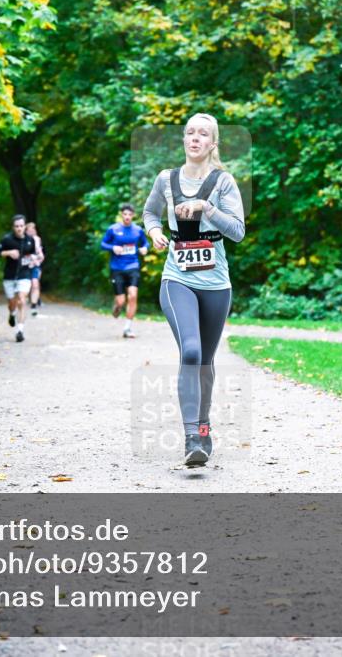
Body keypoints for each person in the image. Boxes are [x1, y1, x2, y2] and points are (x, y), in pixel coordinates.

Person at [141, 113, 245, 467]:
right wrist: (154, 231)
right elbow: (150, 213)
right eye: (189, 133)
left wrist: (206, 207)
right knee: (191, 351)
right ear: (183, 140)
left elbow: (237, 231)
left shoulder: (223, 182)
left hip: (216, 283)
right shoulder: (166, 180)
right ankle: (190, 439)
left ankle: (203, 428)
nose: (194, 138)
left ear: (213, 143)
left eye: (203, 134)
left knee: (205, 361)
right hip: (177, 279)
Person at [100, 204, 150, 338]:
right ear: (121, 215)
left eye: (130, 214)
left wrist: (145, 248)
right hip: (117, 268)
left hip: (133, 266)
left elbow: (145, 243)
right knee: (121, 301)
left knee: (133, 295)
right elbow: (103, 244)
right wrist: (113, 248)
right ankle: (117, 307)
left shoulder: (138, 230)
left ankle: (127, 328)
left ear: (133, 215)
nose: (127, 217)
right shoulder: (113, 229)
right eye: (125, 214)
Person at [0, 215, 38, 343]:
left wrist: (33, 258)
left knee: (22, 300)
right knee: (12, 303)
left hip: (25, 275)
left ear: (24, 226)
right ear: (13, 227)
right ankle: (12, 314)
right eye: (16, 226)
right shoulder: (7, 239)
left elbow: (32, 253)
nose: (19, 228)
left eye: (21, 226)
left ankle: (20, 331)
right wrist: (8, 253)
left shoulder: (30, 240)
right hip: (10, 276)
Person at [25, 221, 45, 315]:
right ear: (26, 230)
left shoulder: (37, 239)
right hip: (25, 265)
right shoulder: (23, 240)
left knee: (35, 283)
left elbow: (40, 252)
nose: (32, 231)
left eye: (33, 229)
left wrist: (39, 257)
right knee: (27, 285)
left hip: (35, 264)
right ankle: (28, 300)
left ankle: (34, 304)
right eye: (30, 229)